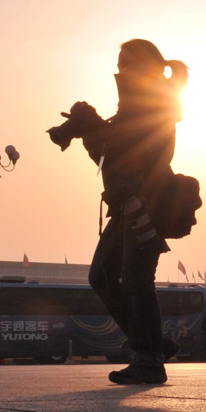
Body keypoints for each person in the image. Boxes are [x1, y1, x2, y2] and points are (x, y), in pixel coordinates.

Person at [61, 39, 189, 385]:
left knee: (135, 279)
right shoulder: (131, 106)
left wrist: (93, 129)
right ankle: (153, 343)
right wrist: (90, 130)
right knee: (102, 276)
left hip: (145, 204)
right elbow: (110, 157)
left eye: (126, 61)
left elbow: (137, 153)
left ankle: (148, 358)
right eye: (119, 61)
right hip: (124, 205)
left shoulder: (154, 103)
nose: (120, 68)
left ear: (145, 66)